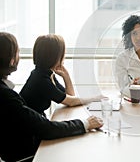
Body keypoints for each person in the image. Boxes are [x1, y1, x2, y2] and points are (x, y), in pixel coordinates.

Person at [0, 32, 103, 161]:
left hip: (31, 136)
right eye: (17, 52)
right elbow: (47, 128)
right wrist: (86, 123)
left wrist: (66, 76)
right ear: (11, 59)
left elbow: (68, 96)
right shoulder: (10, 93)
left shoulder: (47, 75)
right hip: (25, 151)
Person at [20, 34, 105, 117]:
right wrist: (94, 98)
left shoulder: (46, 74)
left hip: (34, 120)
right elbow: (70, 101)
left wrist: (66, 76)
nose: (64, 57)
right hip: (26, 126)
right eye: (62, 54)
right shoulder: (41, 79)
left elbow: (70, 96)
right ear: (54, 56)